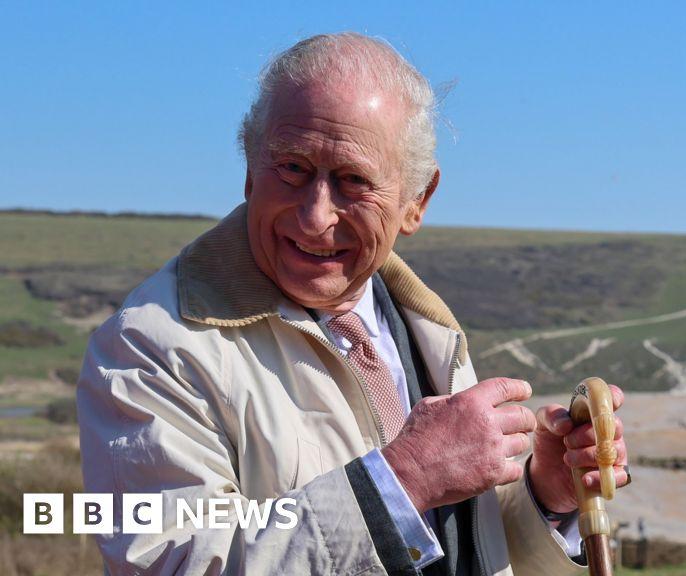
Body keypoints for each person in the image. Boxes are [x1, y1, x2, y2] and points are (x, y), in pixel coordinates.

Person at [77, 32, 629, 576]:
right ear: (249, 168)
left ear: (417, 202)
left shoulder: (422, 324)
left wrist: (545, 498)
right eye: (291, 167)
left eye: (352, 181)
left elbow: (448, 542)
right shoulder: (150, 348)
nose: (316, 216)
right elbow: (174, 564)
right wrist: (406, 476)